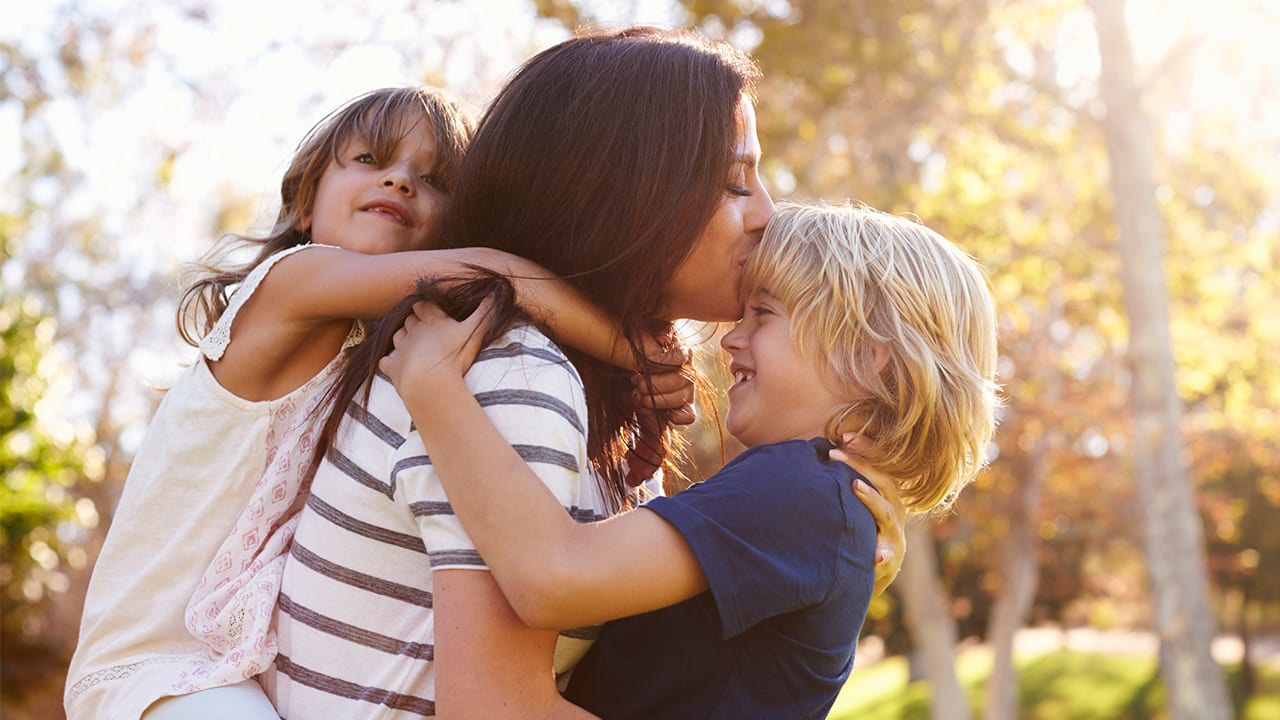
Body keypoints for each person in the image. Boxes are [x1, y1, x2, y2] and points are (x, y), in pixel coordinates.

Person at [261, 28, 908, 719]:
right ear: (622, 195)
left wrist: (827, 547)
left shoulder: (588, 391)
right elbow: (498, 709)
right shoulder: (514, 377)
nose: (766, 215)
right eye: (731, 182)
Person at [64, 86, 641, 720]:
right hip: (157, 665)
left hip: (243, 656)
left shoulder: (381, 351)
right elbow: (490, 275)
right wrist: (637, 350)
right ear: (305, 202)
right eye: (370, 160)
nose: (398, 183)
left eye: (433, 180)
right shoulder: (291, 283)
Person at [387, 200, 1001, 718]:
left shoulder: (801, 490)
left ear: (870, 358)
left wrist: (434, 384)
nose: (732, 337)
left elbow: (554, 577)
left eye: (764, 313)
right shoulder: (822, 503)